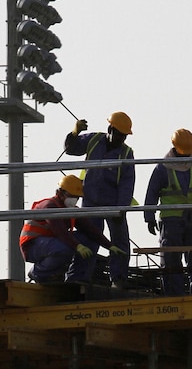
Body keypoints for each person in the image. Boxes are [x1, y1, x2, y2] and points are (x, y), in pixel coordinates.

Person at [144, 125, 192, 296]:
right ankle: (175, 296)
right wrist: (149, 217)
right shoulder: (163, 168)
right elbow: (152, 192)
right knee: (172, 261)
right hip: (171, 220)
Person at [63, 112, 135, 287]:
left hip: (114, 203)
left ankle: (118, 279)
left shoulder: (126, 153)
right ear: (110, 129)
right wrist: (75, 132)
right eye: (119, 134)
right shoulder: (94, 140)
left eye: (124, 136)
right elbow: (71, 149)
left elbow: (127, 183)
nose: (121, 138)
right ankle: (78, 277)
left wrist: (121, 209)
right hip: (91, 201)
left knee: (120, 242)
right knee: (87, 240)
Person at [19, 175, 127, 283]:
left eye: (77, 197)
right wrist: (77, 246)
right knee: (64, 249)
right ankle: (38, 272)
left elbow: (90, 229)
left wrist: (109, 245)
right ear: (61, 193)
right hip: (33, 245)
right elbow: (60, 231)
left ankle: (76, 278)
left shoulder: (72, 210)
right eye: (72, 196)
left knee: (88, 240)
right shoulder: (49, 206)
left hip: (53, 243)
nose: (74, 200)